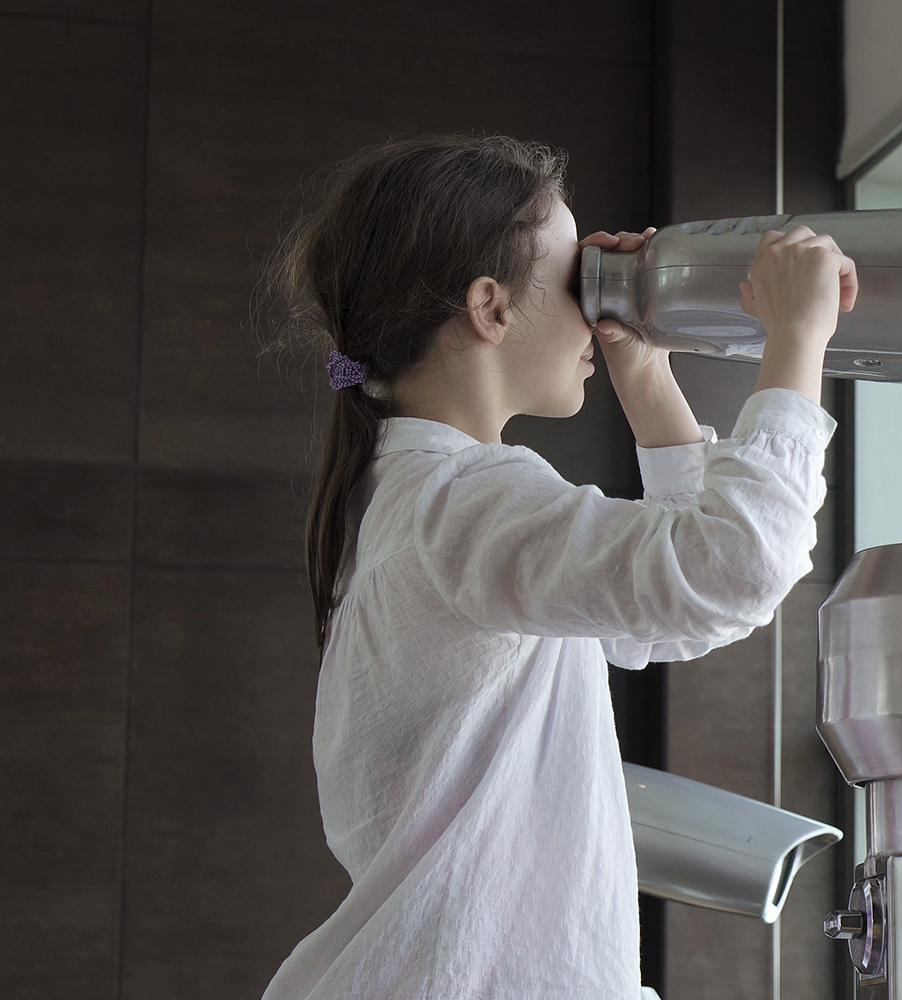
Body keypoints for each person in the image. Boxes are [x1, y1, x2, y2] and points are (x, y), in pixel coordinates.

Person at [259, 134, 856, 999]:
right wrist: (798, 339)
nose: (596, 307)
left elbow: (658, 611)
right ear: (491, 308)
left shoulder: (418, 499)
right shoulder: (465, 504)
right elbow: (736, 565)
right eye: (579, 281)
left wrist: (643, 370)